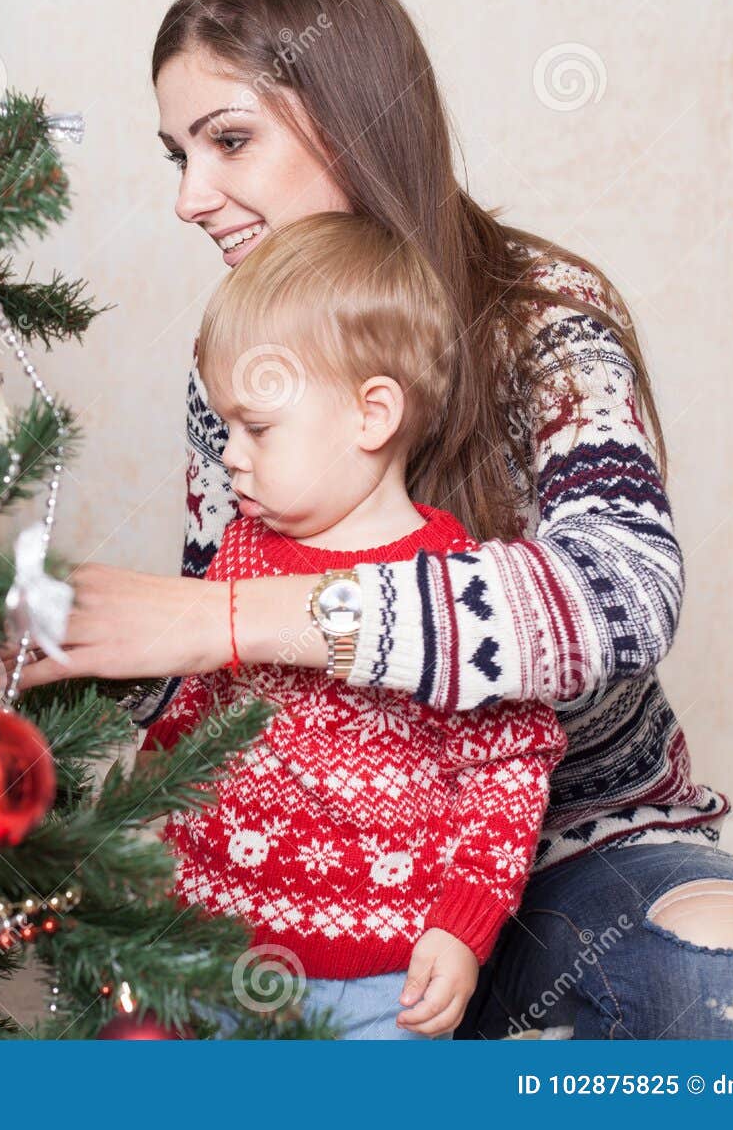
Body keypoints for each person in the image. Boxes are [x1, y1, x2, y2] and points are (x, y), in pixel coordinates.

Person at [21, 0, 733, 1039]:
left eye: (227, 140)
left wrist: (221, 619)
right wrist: (41, 669)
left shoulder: (543, 318)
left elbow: (623, 593)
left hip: (562, 847)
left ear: (346, 112)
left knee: (732, 977)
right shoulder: (237, 367)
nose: (189, 197)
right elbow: (222, 656)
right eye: (179, 156)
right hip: (321, 887)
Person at [139, 211, 568, 1040]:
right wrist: (148, 805)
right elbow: (198, 704)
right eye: (227, 424)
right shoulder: (241, 552)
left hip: (380, 978)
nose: (229, 452)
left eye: (257, 427)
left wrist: (463, 922)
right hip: (209, 948)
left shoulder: (454, 591)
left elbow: (508, 768)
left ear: (372, 415)